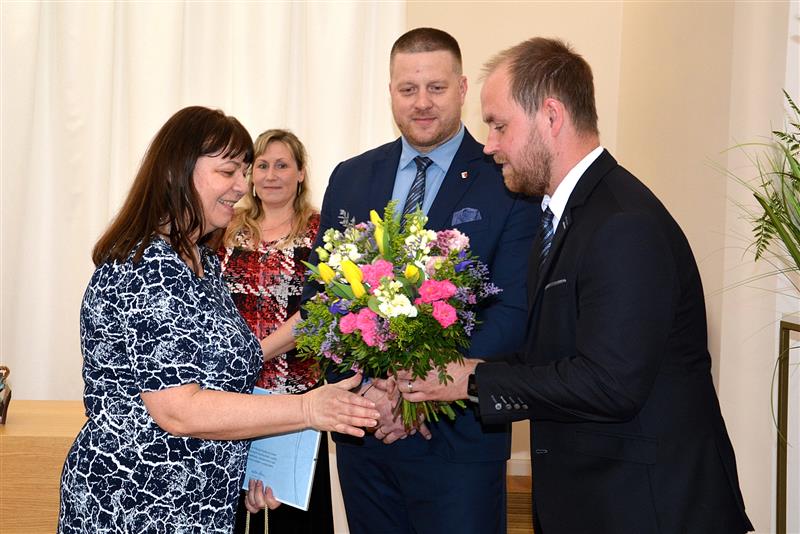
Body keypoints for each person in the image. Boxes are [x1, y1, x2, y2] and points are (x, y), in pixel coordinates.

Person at [398, 37, 755, 534]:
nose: (489, 145)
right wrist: (470, 368)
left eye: (499, 125)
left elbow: (610, 383)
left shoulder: (623, 222)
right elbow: (556, 354)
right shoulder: (562, 216)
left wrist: (474, 382)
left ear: (550, 116)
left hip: (648, 507)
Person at [57, 106, 379, 534]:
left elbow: (220, 383)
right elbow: (179, 410)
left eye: (244, 171)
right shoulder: (145, 269)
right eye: (228, 171)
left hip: (199, 504)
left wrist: (242, 469)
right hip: (136, 504)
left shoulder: (203, 263)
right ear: (176, 172)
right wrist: (307, 408)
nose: (242, 186)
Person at [304, 28, 539, 534]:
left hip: (459, 443)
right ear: (390, 91)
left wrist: (411, 389)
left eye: (436, 87)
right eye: (408, 89)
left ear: (462, 88)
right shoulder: (350, 177)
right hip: (366, 435)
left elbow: (514, 312)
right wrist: (372, 390)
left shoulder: (508, 178)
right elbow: (320, 301)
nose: (422, 103)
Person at [218, 129, 333, 533]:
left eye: (282, 165)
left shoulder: (322, 231)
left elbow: (321, 309)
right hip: (231, 394)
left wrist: (255, 354)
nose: (270, 175)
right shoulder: (226, 228)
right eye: (262, 166)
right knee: (231, 510)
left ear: (301, 173)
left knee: (291, 516)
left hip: (297, 397)